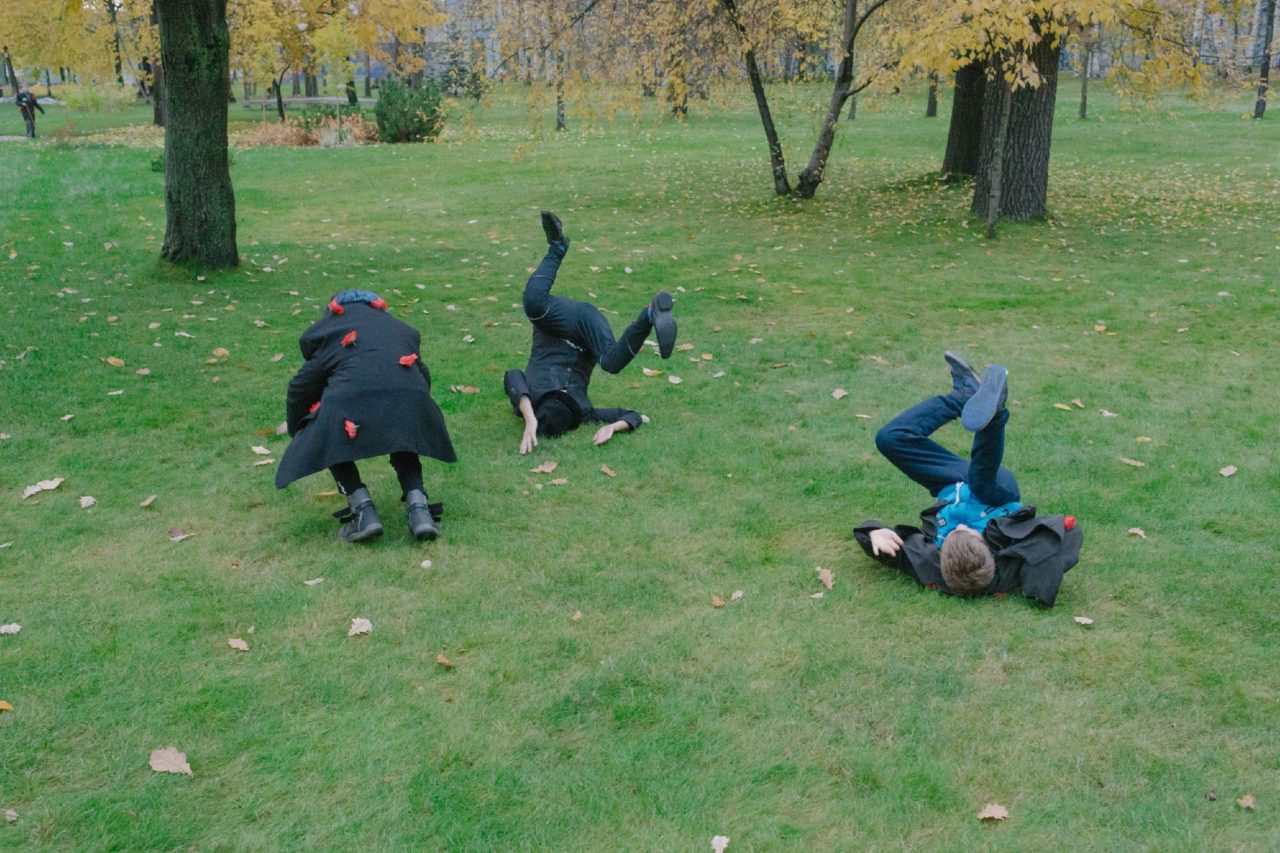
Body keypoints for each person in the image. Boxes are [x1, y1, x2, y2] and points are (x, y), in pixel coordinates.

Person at [852, 353, 1082, 606]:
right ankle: (995, 414)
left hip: (949, 485)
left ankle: (963, 396)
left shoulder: (931, 562)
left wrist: (875, 533)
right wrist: (1040, 588)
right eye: (970, 533)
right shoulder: (1006, 562)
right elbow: (1068, 535)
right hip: (996, 492)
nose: (960, 527)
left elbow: (876, 544)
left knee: (890, 439)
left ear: (940, 554)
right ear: (988, 551)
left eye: (953, 533)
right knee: (980, 481)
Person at [275, 289, 457, 543]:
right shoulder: (399, 329)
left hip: (348, 401)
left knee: (330, 427)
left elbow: (300, 387)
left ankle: (363, 510)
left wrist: (301, 427)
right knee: (402, 427)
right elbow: (421, 374)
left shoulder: (331, 332)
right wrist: (415, 411)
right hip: (408, 398)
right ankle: (419, 509)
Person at [503, 211, 677, 454]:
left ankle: (557, 247)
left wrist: (530, 419)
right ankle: (650, 314)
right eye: (566, 397)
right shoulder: (583, 411)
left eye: (558, 395)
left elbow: (511, 376)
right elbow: (631, 414)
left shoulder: (528, 398)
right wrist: (614, 427)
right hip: (587, 331)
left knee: (533, 304)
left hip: (555, 323)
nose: (563, 392)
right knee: (611, 363)